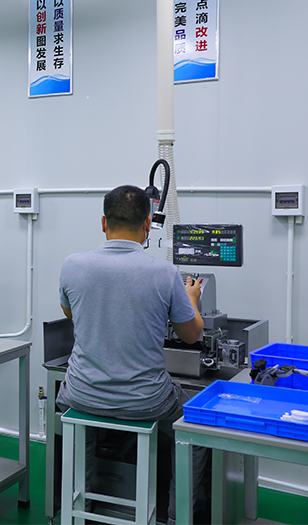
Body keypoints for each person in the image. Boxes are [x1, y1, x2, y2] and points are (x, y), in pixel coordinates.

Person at [56, 184, 207, 524]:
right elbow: (192, 334)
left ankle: (84, 506)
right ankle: (176, 517)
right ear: (148, 224)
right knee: (196, 427)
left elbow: (70, 312)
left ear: (103, 223)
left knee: (80, 420)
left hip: (81, 393)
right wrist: (192, 300)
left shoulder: (72, 264)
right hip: (147, 400)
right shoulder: (165, 273)